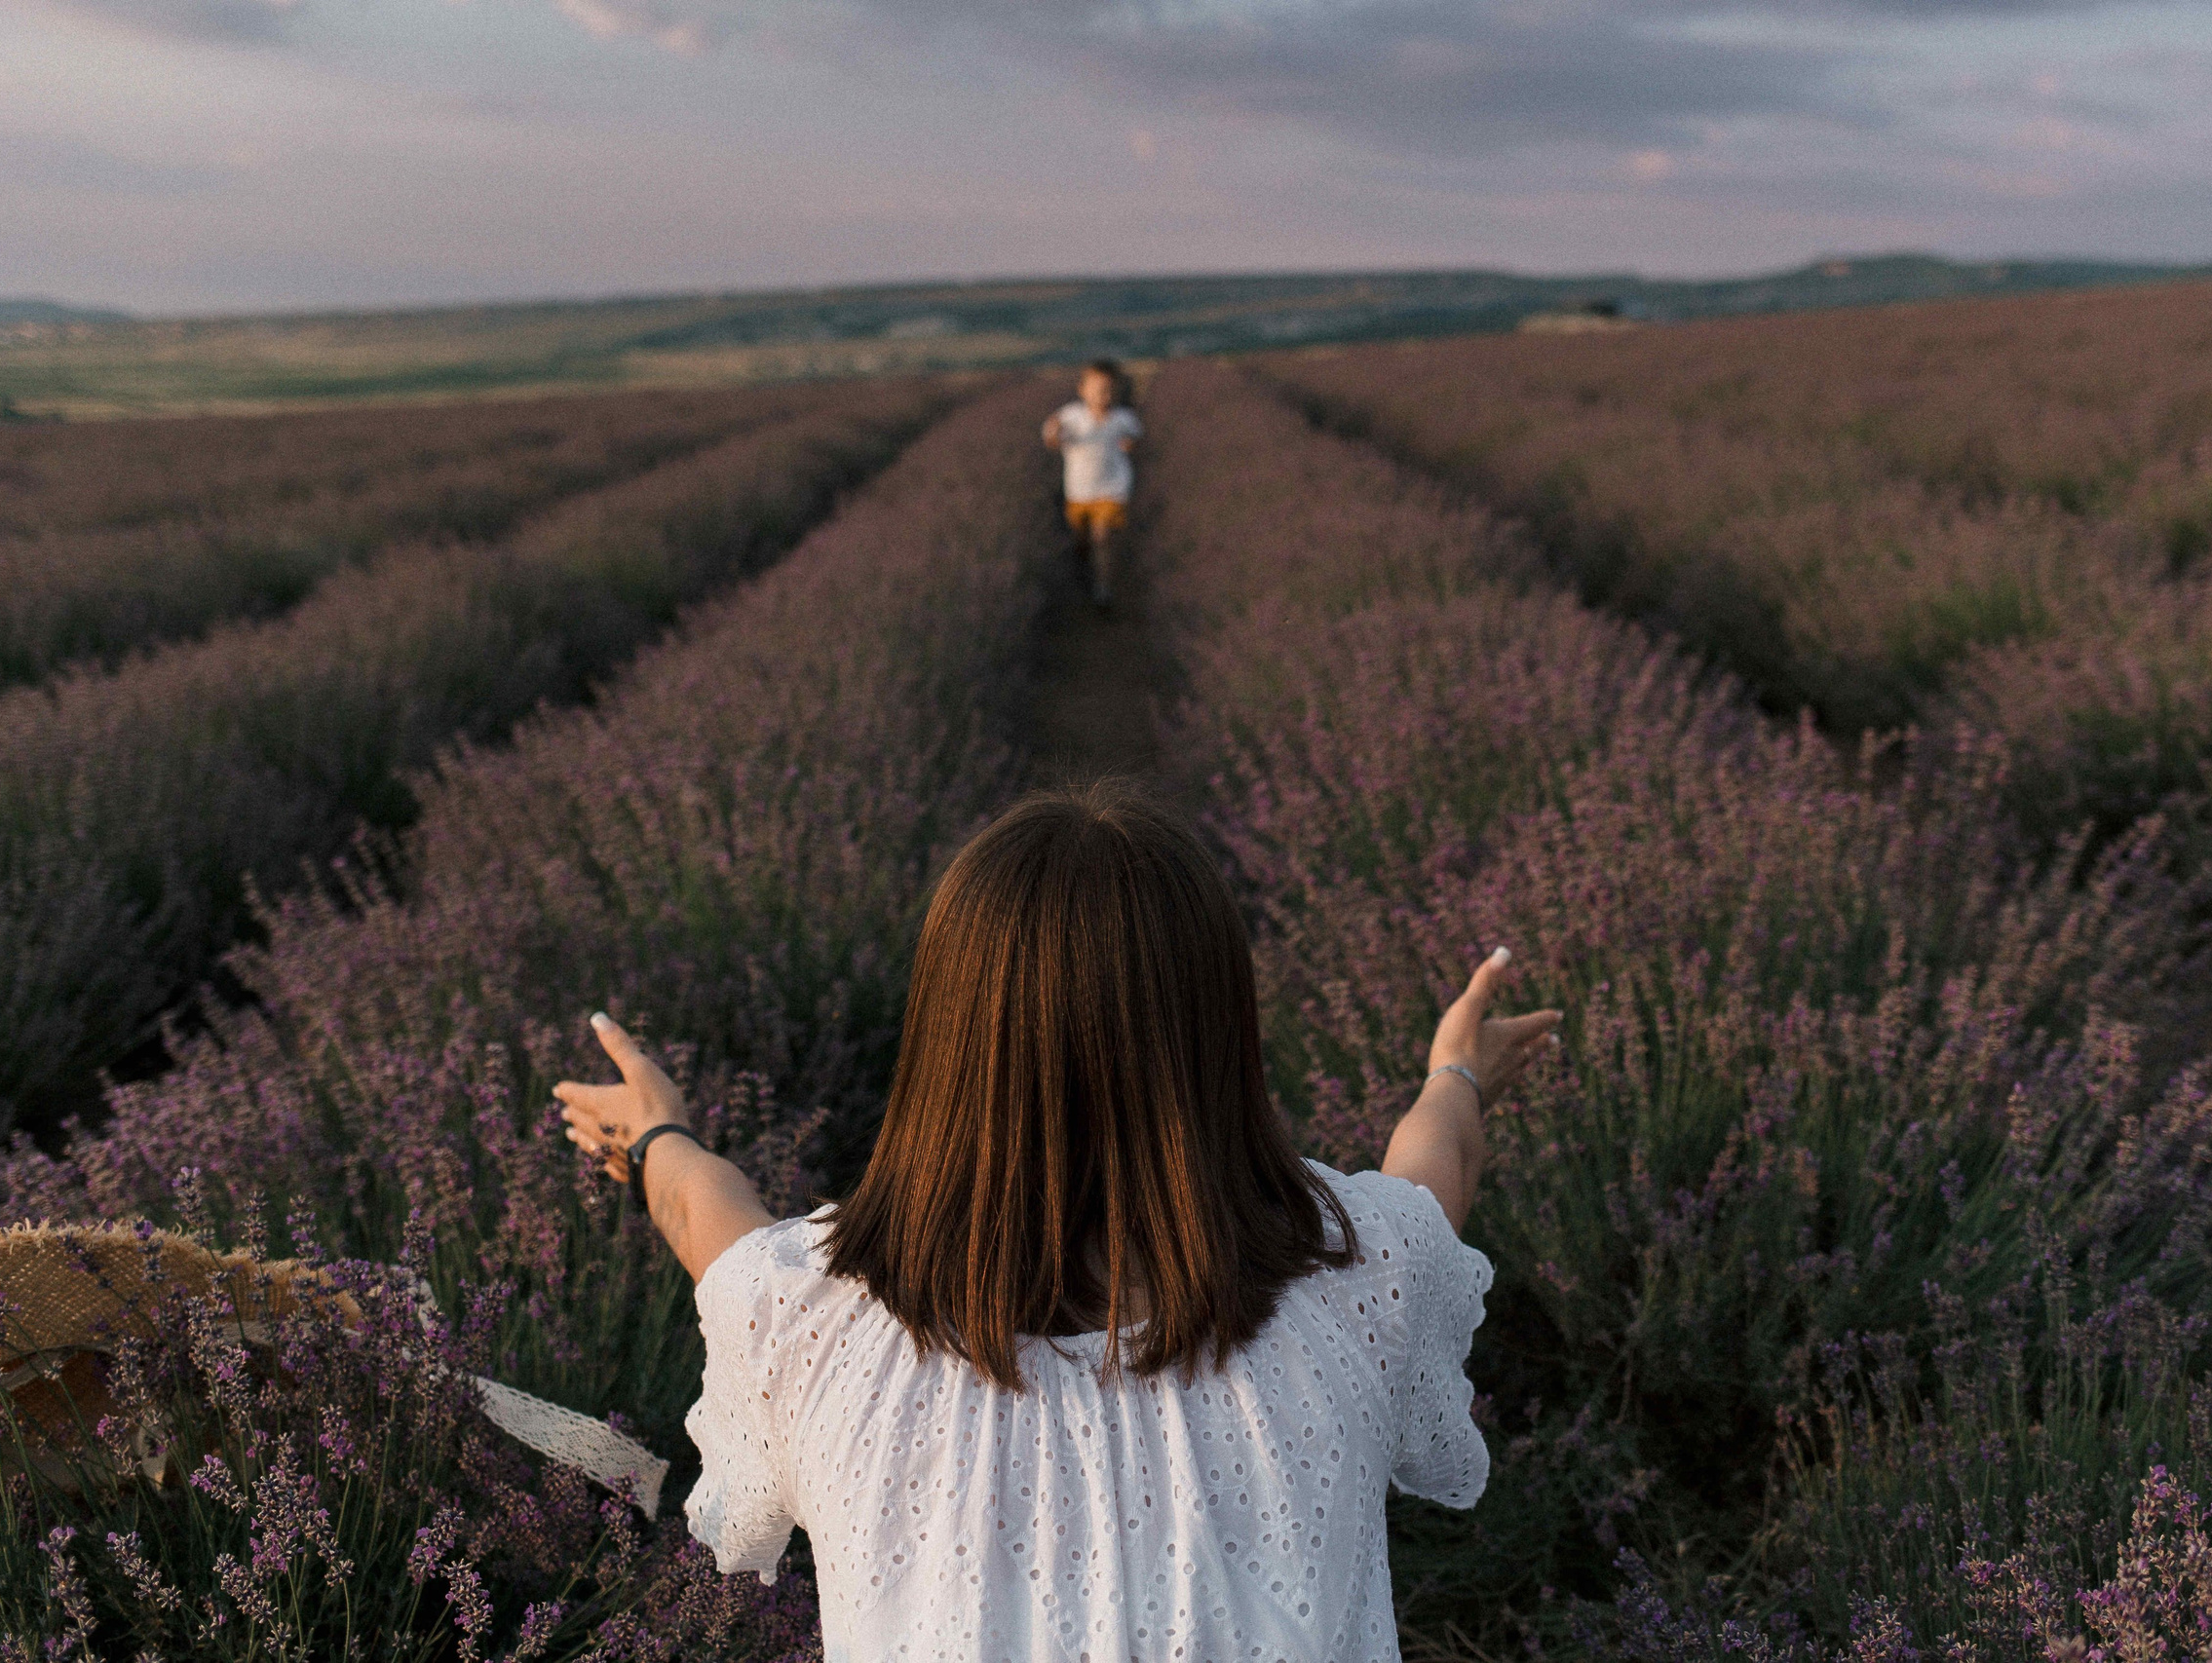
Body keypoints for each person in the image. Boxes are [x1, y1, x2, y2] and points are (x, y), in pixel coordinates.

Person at [555, 783, 1560, 1662]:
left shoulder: (812, 1325)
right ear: (1220, 1036)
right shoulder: (1358, 1286)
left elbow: (706, 1214)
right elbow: (1435, 1170)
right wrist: (1457, 1073)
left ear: (946, 1042)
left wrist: (653, 1136)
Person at [1040, 359, 1143, 609]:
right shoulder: (1071, 416)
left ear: (1116, 392)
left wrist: (1131, 444)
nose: (1102, 395)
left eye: (1108, 390)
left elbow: (1135, 438)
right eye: (1097, 389)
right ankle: (1084, 569)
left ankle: (1102, 590)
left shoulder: (1123, 419)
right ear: (1082, 389)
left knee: (1102, 537)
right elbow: (1052, 440)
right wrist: (1054, 431)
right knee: (1082, 540)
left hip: (1112, 490)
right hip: (1078, 492)